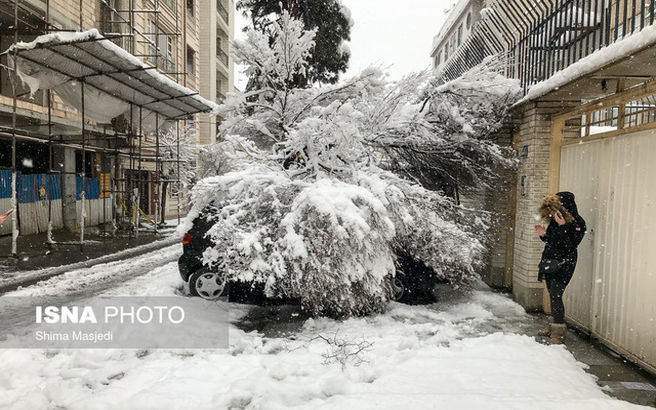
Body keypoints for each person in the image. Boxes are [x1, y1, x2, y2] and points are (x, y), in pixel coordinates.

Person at [534, 191, 586, 345]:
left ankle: (559, 334)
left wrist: (563, 226)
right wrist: (543, 235)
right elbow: (552, 241)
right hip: (550, 261)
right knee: (552, 294)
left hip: (565, 263)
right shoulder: (554, 219)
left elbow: (570, 244)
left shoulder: (578, 222)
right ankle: (554, 327)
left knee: (556, 294)